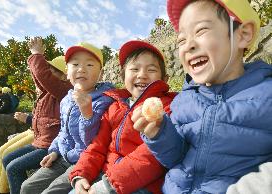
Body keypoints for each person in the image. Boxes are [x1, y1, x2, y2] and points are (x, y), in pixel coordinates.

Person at [132, 0, 272, 193]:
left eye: (201, 30)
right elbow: (174, 157)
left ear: (243, 35)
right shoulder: (184, 101)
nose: (188, 45)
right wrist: (159, 134)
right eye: (181, 40)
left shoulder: (266, 94)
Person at [69, 40, 176, 194]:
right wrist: (81, 174)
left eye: (151, 70)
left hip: (143, 185)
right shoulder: (114, 107)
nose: (142, 75)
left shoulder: (166, 107)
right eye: (134, 69)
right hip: (105, 176)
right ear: (123, 75)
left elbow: (152, 156)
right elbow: (97, 146)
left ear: (164, 79)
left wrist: (109, 184)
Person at [20, 42, 115, 194]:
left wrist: (87, 113)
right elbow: (62, 132)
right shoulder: (66, 99)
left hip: (83, 161)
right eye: (75, 64)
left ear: (101, 73)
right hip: (62, 156)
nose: (81, 69)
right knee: (27, 187)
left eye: (90, 65)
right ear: (67, 71)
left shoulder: (105, 101)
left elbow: (94, 143)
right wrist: (54, 151)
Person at [1, 37, 72, 194]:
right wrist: (35, 59)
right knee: (7, 159)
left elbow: (44, 77)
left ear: (63, 75)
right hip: (39, 141)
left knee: (13, 167)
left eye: (52, 69)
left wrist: (37, 54)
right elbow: (41, 79)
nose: (48, 72)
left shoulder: (65, 90)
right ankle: (16, 188)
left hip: (49, 146)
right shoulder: (49, 92)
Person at [0, 112, 33, 194]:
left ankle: (1, 191)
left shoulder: (55, 100)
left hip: (42, 135)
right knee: (1, 150)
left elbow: (52, 123)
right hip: (32, 129)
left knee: (7, 153)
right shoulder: (43, 99)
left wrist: (28, 119)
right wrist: (28, 117)